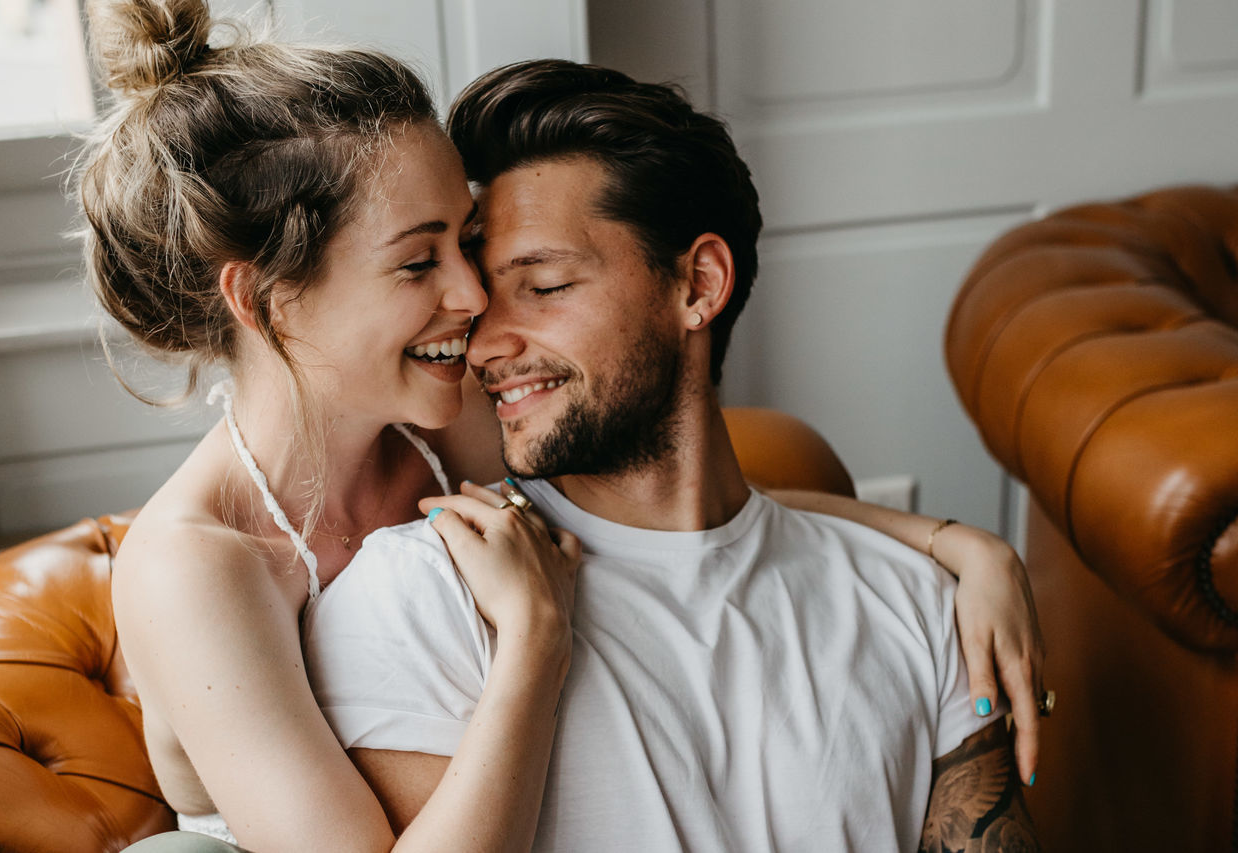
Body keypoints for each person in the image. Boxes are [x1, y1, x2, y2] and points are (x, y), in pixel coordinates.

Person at [77, 1, 1040, 848]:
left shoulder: (440, 435)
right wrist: (536, 637)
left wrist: (953, 545)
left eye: (471, 246)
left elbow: (667, 505)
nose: (472, 299)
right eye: (420, 264)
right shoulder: (198, 565)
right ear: (269, 300)